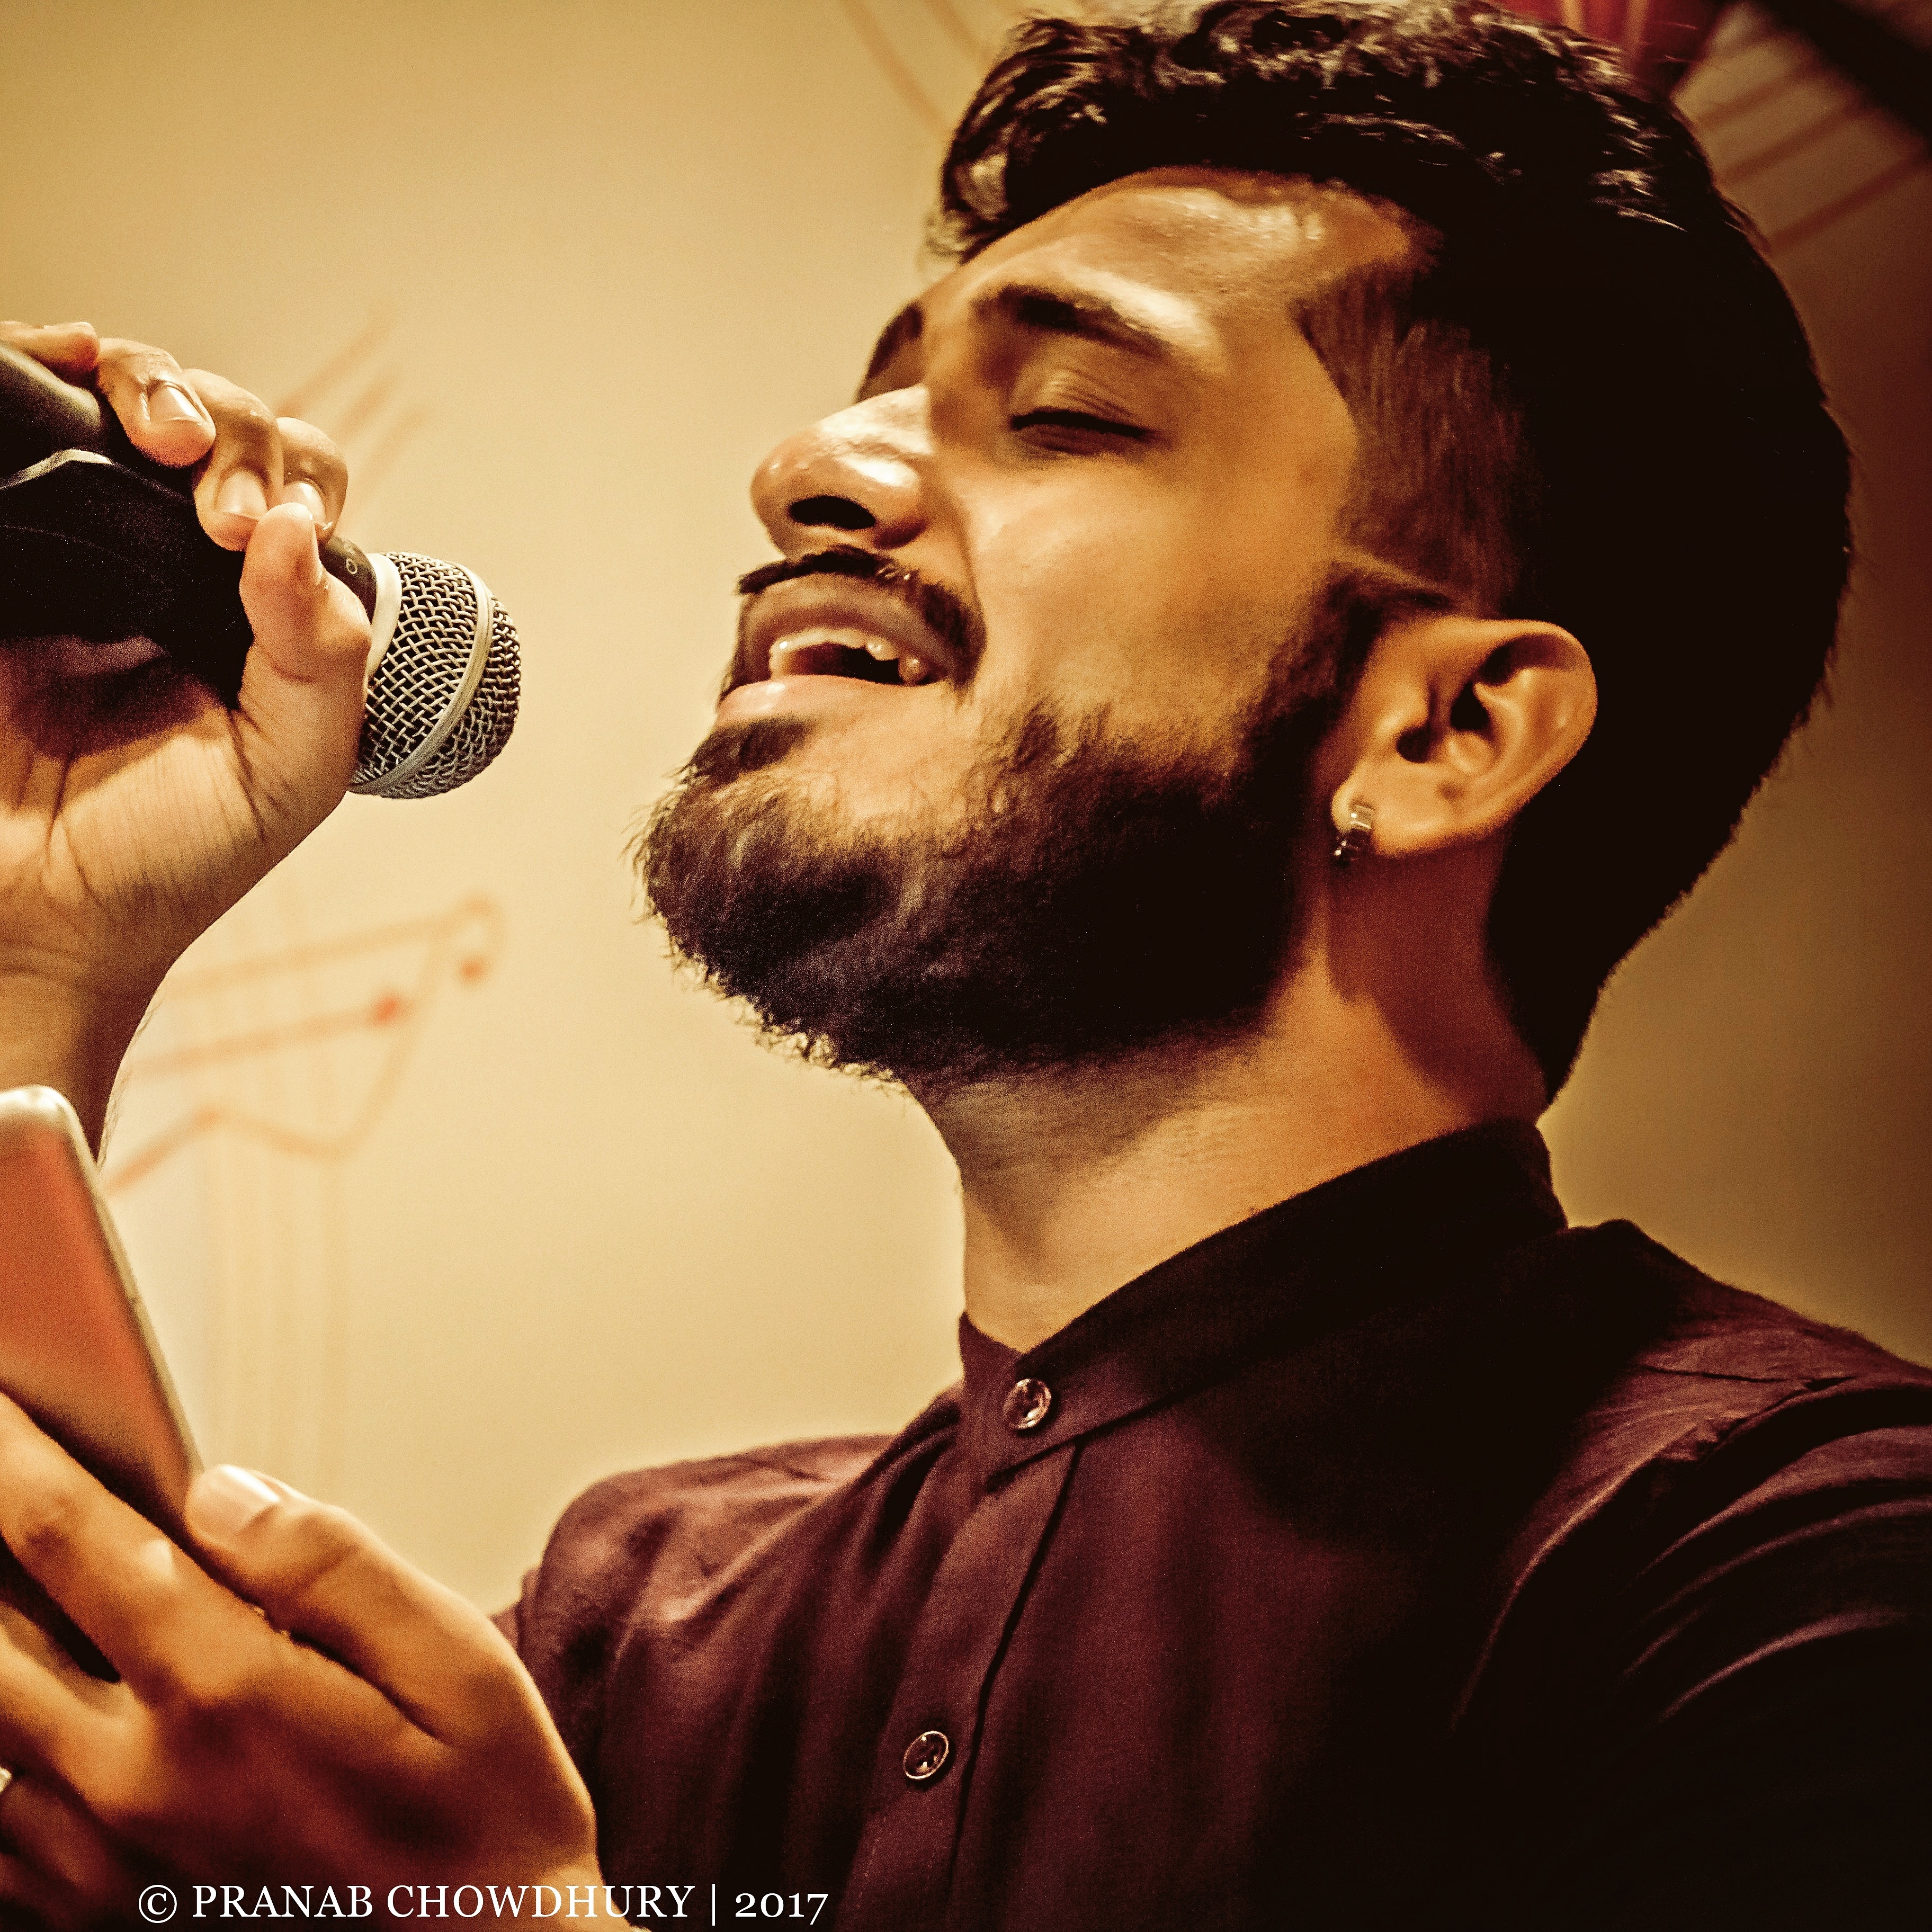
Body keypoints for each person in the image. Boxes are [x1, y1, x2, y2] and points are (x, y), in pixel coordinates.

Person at [0, 1, 1926, 1926]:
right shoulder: (641, 1632)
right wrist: (43, 950)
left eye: (1067, 411)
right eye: (877, 391)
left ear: (1449, 733)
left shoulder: (1802, 1569)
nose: (806, 467)